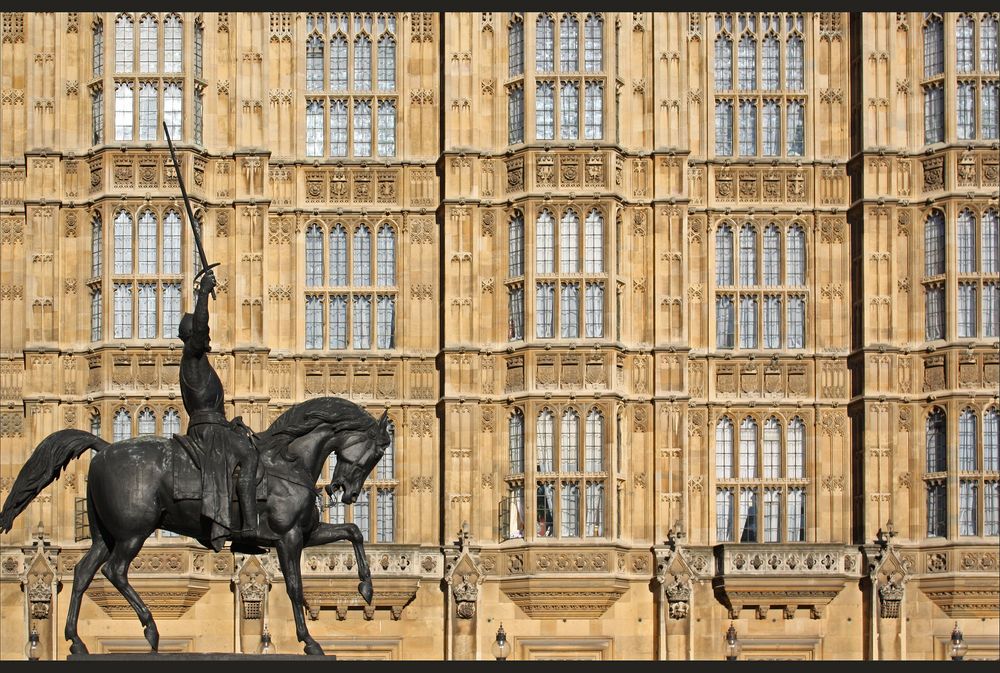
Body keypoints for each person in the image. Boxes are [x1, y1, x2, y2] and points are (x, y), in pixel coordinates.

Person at [178, 268, 259, 551]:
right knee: (249, 456)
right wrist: (203, 295)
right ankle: (249, 527)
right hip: (207, 432)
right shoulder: (192, 356)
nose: (207, 335)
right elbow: (200, 329)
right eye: (203, 333)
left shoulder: (198, 363)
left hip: (215, 426)